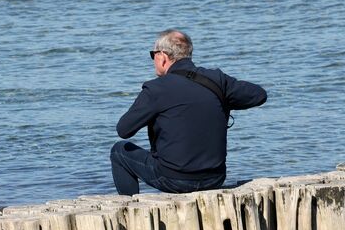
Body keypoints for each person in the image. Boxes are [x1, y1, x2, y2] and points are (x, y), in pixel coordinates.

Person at [110, 29, 267, 195]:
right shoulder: (217, 80)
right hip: (215, 178)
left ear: (162, 56)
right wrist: (222, 102)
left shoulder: (156, 89)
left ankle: (129, 206)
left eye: (153, 54)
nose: (153, 59)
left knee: (119, 151)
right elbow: (259, 95)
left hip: (174, 180)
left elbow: (124, 130)